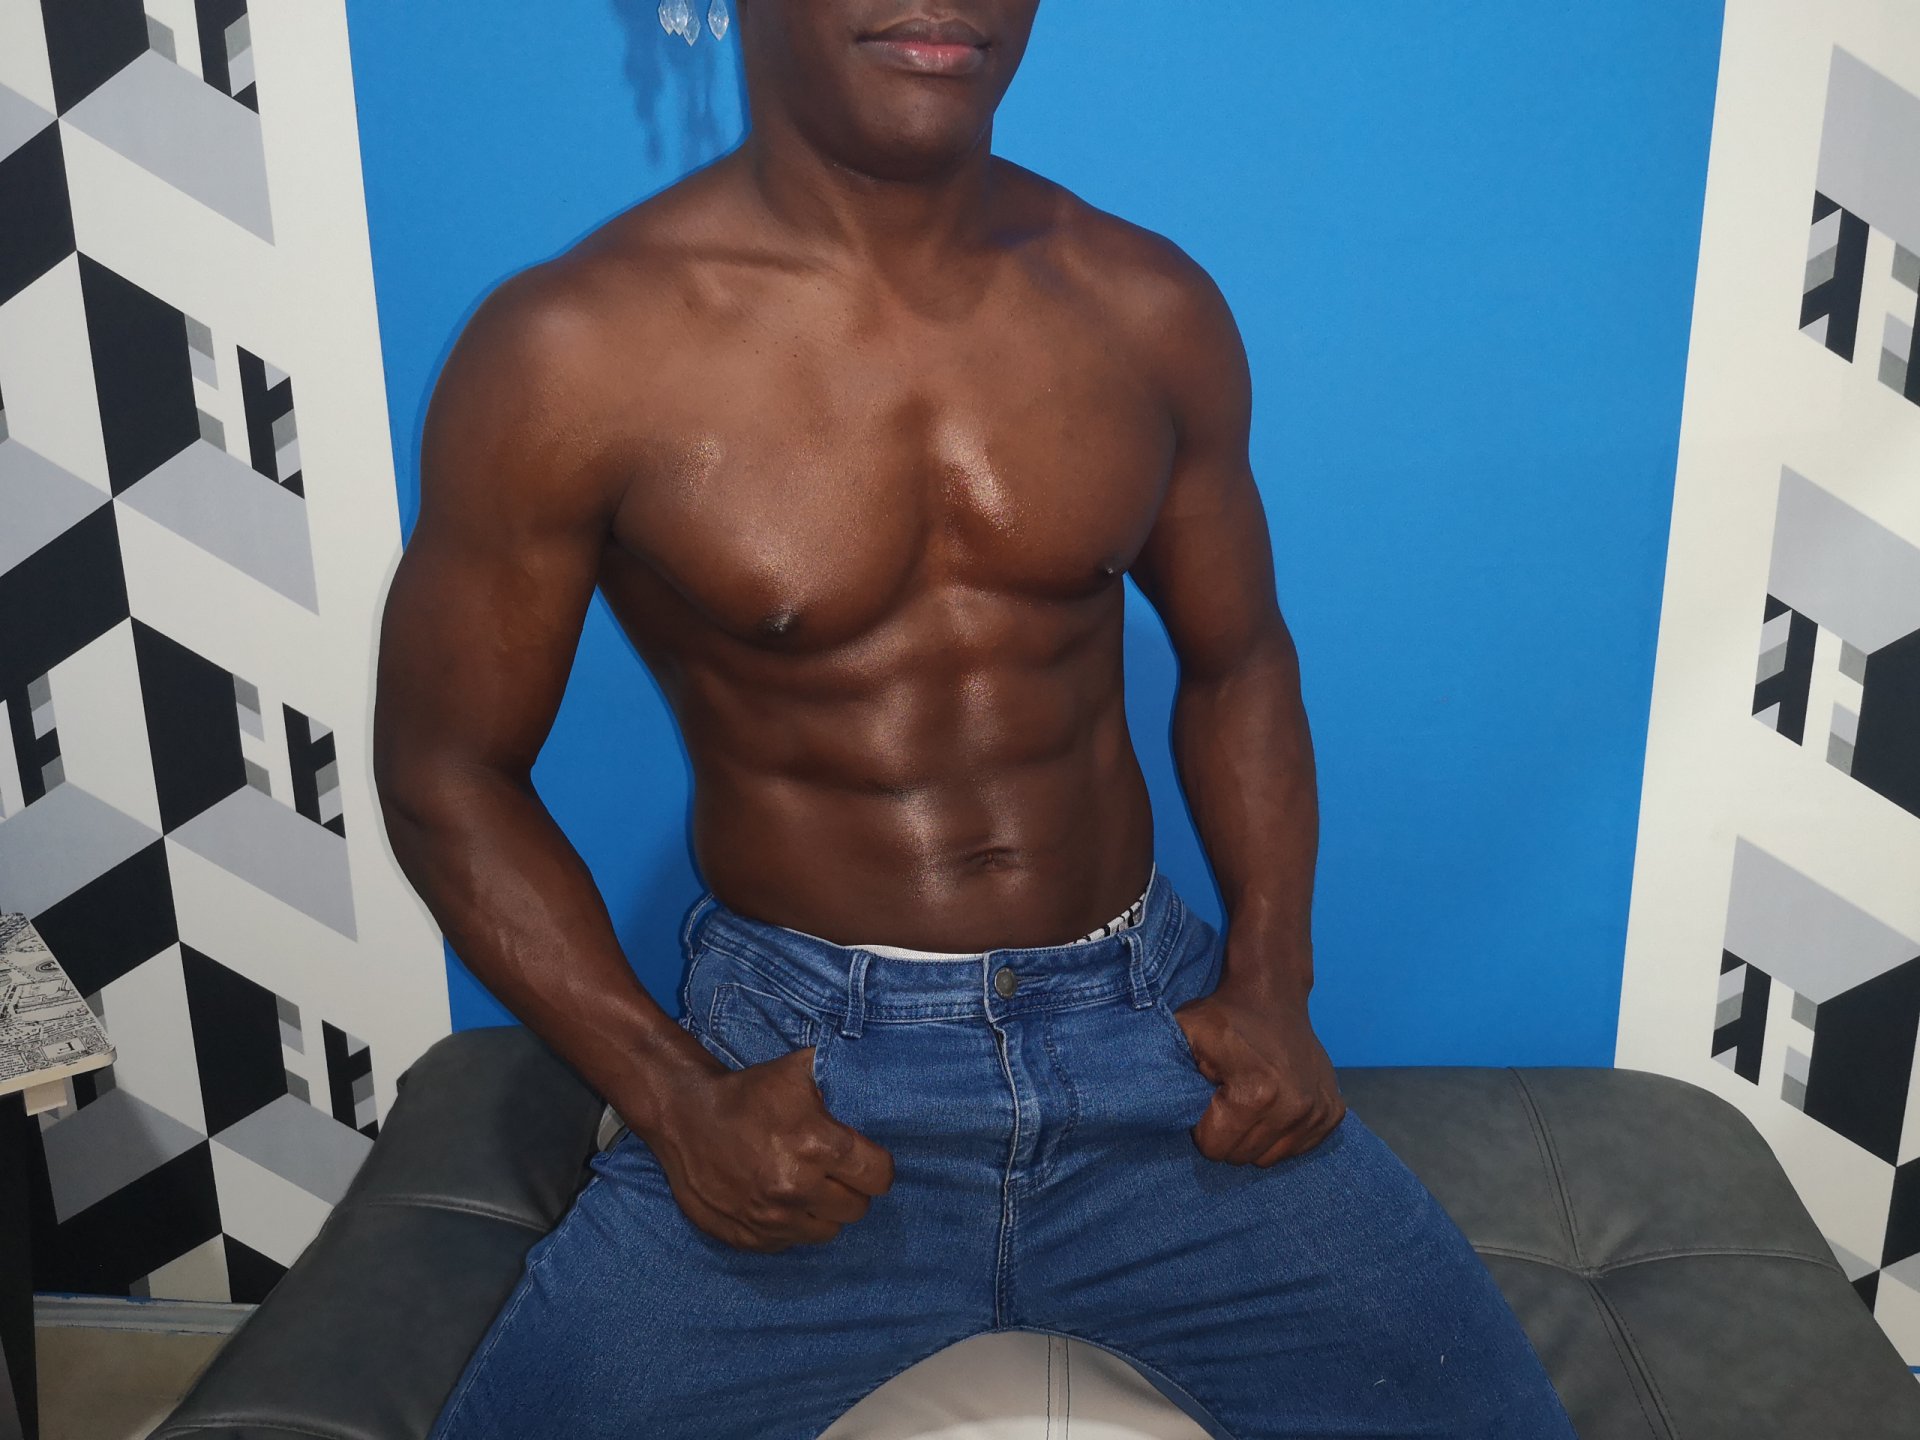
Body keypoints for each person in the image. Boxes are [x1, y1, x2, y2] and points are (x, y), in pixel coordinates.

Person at [371, 3, 1578, 1435]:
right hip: (802, 1081)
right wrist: (678, 1100)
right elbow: (447, 770)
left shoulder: (1143, 303)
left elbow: (1240, 661)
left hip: (1158, 1050)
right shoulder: (573, 351)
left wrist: (1274, 983)